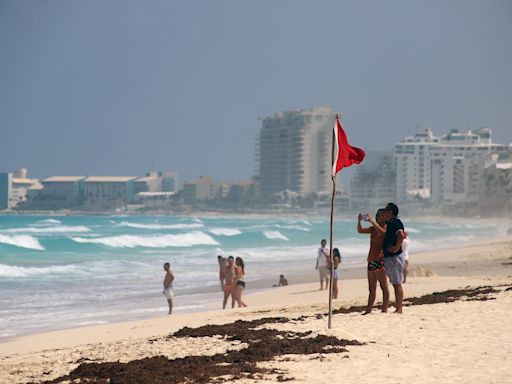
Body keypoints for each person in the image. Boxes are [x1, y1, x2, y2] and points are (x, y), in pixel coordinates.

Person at [357, 209, 390, 314]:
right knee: (372, 289)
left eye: (379, 216)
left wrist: (371, 220)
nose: (377, 217)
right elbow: (360, 231)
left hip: (379, 260)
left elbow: (383, 233)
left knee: (383, 286)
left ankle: (384, 309)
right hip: (371, 260)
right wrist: (359, 221)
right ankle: (368, 310)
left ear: (384, 217)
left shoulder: (386, 228)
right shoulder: (373, 229)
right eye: (376, 216)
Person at [382, 202, 406, 314]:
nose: (384, 213)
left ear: (390, 212)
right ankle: (398, 307)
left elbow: (401, 234)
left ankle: (399, 308)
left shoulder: (396, 222)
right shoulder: (390, 223)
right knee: (395, 283)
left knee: (397, 283)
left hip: (394, 257)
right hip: (390, 257)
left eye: (385, 211)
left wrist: (396, 248)